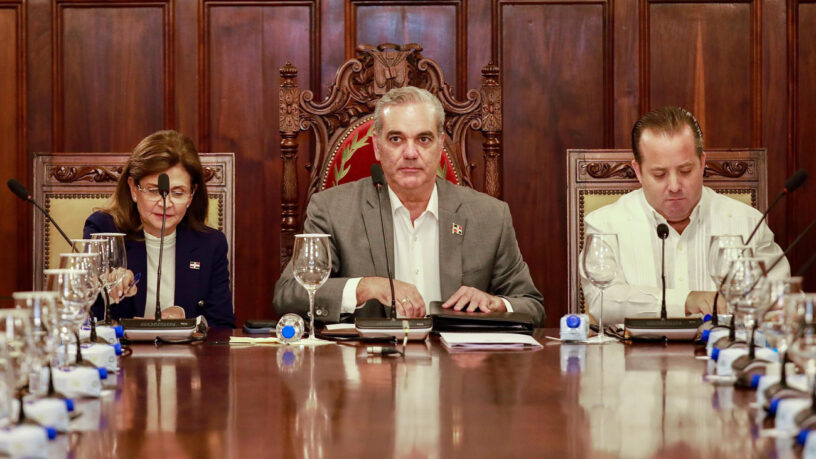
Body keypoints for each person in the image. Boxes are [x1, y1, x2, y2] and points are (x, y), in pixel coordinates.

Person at [273, 86, 545, 325]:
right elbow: (289, 294)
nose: (411, 153)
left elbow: (532, 306)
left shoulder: (490, 216)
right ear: (377, 147)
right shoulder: (332, 210)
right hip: (367, 363)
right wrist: (366, 287)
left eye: (423, 139)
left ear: (440, 146)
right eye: (396, 139)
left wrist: (497, 304)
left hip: (457, 365)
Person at [581, 106, 789, 324]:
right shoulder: (604, 225)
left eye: (685, 171)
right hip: (633, 347)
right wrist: (686, 301)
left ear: (702, 163)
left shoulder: (747, 223)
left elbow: (781, 299)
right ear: (638, 171)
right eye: (659, 174)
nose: (674, 186)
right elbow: (602, 301)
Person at [84, 130, 235, 328]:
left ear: (191, 195)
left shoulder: (210, 244)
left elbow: (222, 325)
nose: (165, 203)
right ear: (133, 189)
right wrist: (110, 287)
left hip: (186, 349)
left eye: (178, 193)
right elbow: (85, 309)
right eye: (154, 191)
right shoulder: (104, 230)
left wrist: (185, 318)